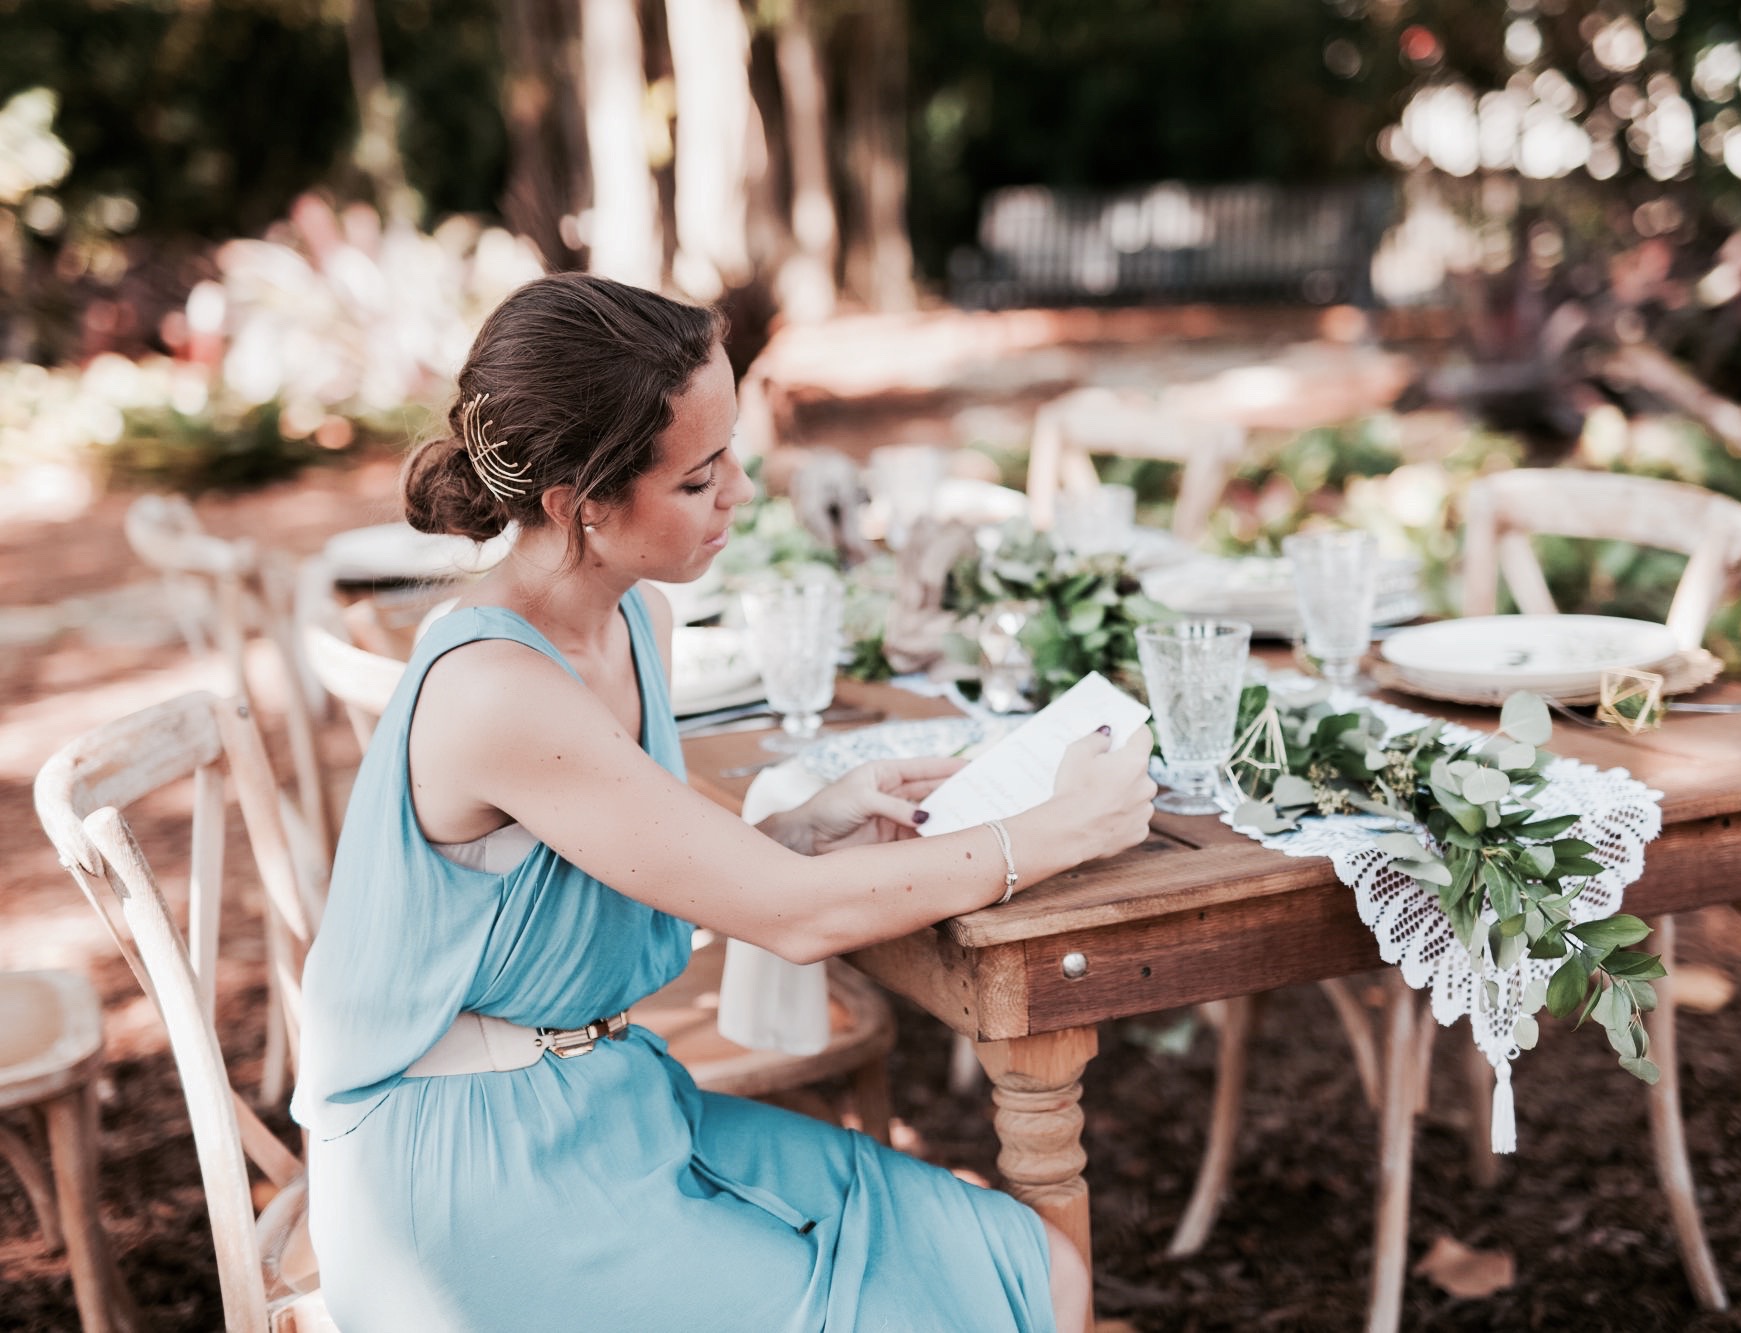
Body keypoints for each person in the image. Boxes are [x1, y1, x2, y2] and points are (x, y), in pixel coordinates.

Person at [292, 271, 1157, 1333]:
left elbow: (610, 868)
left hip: (612, 1099)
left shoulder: (636, 620)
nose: (740, 494)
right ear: (580, 506)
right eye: (700, 479)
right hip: (468, 1173)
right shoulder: (492, 690)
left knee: (1032, 1266)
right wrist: (1056, 829)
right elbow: (798, 918)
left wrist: (790, 832)